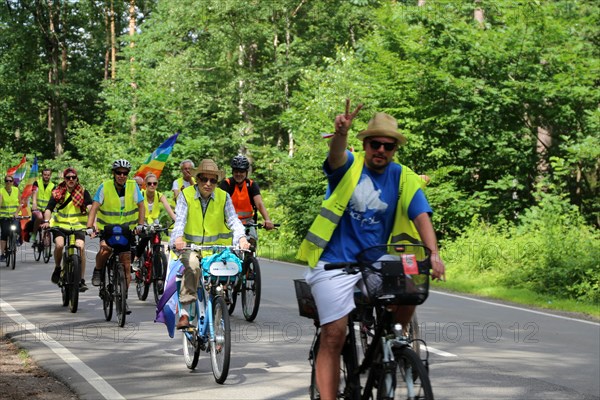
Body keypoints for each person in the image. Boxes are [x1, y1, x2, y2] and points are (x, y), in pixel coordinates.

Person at [297, 100, 446, 400]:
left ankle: (392, 341)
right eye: (375, 144)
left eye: (388, 146)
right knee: (334, 335)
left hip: (374, 261)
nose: (381, 150)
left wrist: (433, 253)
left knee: (412, 284)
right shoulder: (349, 166)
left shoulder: (403, 176)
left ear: (394, 150)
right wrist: (341, 133)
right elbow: (335, 155)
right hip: (333, 263)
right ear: (365, 144)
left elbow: (421, 215)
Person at [170, 159, 250, 329]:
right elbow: (180, 221)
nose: (208, 184)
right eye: (204, 179)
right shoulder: (186, 195)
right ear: (197, 179)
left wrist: (241, 238)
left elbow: (234, 220)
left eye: (213, 180)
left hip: (215, 251)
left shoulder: (224, 196)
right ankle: (185, 311)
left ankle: (218, 314)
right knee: (192, 266)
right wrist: (178, 239)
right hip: (191, 248)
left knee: (231, 270)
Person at [87, 159, 145, 313]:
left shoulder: (133, 186)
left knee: (126, 265)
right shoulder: (104, 187)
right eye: (118, 172)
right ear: (113, 173)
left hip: (127, 230)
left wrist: (140, 225)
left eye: (125, 173)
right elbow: (94, 207)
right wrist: (90, 226)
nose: (122, 175)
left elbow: (141, 206)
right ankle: (99, 270)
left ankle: (123, 299)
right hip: (108, 229)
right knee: (105, 250)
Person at [40, 168, 93, 291]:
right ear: (64, 179)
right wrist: (47, 221)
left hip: (78, 225)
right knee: (59, 245)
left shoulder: (83, 192)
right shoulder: (57, 192)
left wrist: (93, 224)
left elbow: (90, 207)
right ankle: (58, 267)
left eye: (73, 177)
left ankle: (81, 279)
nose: (71, 180)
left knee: (80, 247)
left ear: (76, 179)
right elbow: (49, 209)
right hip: (60, 225)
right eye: (68, 177)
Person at [219, 155, 275, 244]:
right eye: (236, 171)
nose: (238, 174)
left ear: (246, 172)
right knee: (227, 247)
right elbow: (218, 204)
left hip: (248, 223)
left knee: (250, 244)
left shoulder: (252, 185)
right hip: (229, 224)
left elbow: (259, 204)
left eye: (241, 171)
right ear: (232, 171)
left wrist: (267, 219)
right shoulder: (226, 184)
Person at [132, 172, 176, 272]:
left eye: (154, 183)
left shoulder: (160, 195)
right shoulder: (140, 195)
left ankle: (157, 260)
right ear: (145, 185)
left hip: (154, 221)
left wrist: (177, 221)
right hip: (142, 220)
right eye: (149, 183)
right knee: (145, 238)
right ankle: (136, 258)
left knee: (157, 239)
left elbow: (169, 210)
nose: (152, 185)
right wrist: (137, 225)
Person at [30, 168, 54, 243]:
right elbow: (34, 192)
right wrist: (34, 203)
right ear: (42, 175)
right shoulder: (36, 183)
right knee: (39, 217)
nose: (46, 176)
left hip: (47, 209)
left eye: (48, 175)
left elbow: (53, 198)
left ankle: (47, 245)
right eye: (45, 175)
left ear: (50, 175)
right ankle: (34, 234)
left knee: (49, 223)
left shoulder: (53, 186)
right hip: (37, 208)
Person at [0, 175, 20, 262]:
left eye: (10, 181)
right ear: (5, 182)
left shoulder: (16, 190)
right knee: (4, 233)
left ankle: (16, 241)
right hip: (4, 216)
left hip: (14, 216)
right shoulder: (1, 191)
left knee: (17, 228)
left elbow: (20, 203)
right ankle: (2, 253)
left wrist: (16, 213)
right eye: (7, 181)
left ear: (13, 182)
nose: (8, 182)